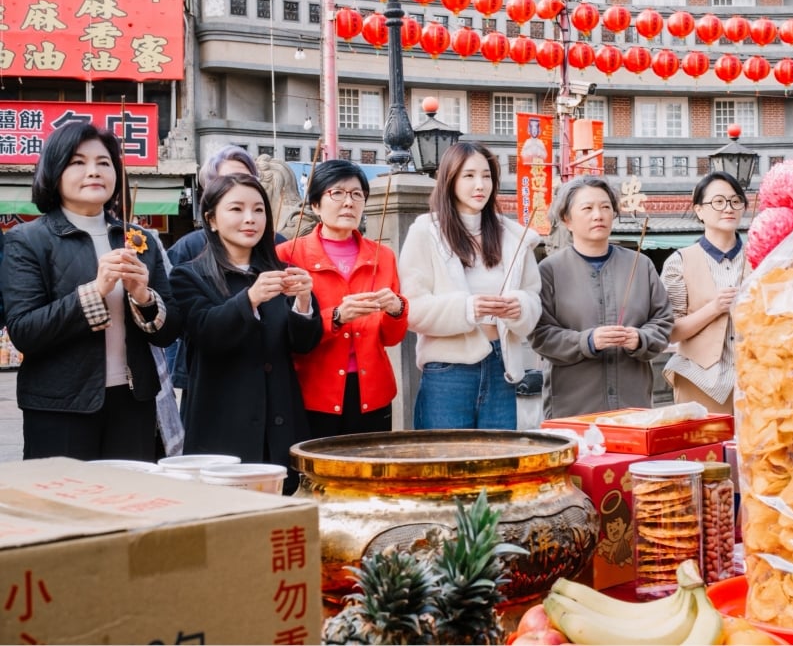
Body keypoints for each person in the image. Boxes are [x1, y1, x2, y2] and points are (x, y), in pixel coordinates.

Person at [0, 121, 181, 460]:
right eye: (78, 162)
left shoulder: (139, 240)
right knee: (66, 508)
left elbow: (169, 332)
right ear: (55, 170)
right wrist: (95, 291)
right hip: (59, 407)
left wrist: (144, 297)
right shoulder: (27, 241)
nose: (93, 171)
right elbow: (24, 331)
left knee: (130, 505)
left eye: (103, 162)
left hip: (134, 402)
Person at [170, 173, 320, 492]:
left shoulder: (279, 272)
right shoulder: (189, 276)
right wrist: (250, 298)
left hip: (281, 420)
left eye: (258, 210)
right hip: (222, 423)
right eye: (236, 209)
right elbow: (206, 332)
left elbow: (304, 344)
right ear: (211, 219)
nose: (250, 219)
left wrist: (304, 300)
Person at [399, 141, 542, 430]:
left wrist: (519, 306)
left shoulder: (514, 236)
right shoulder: (425, 232)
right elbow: (410, 309)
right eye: (469, 176)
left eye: (487, 176)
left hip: (502, 365)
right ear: (449, 180)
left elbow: (533, 298)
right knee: (445, 467)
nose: (480, 185)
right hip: (447, 370)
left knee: (497, 465)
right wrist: (468, 309)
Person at [277, 159, 408, 437]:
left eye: (357, 194)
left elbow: (391, 338)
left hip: (372, 390)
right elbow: (285, 333)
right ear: (315, 204)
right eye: (337, 193)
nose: (348, 202)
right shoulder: (288, 255)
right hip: (313, 391)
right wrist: (336, 317)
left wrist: (397, 310)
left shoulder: (383, 256)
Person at [529, 175, 672, 419]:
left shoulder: (641, 264)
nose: (599, 215)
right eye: (587, 208)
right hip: (572, 409)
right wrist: (589, 341)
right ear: (567, 219)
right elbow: (540, 335)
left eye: (606, 207)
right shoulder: (549, 271)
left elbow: (663, 321)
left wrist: (639, 338)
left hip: (633, 407)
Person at [165, 145, 262, 390]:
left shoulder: (274, 246)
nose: (238, 186)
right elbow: (180, 322)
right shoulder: (188, 248)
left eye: (247, 179)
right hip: (207, 375)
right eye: (227, 181)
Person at [660, 170, 750, 416]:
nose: (728, 208)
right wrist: (714, 308)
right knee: (702, 454)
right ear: (699, 210)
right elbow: (671, 331)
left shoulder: (762, 256)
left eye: (735, 201)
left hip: (757, 379)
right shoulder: (679, 262)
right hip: (699, 380)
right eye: (718, 202)